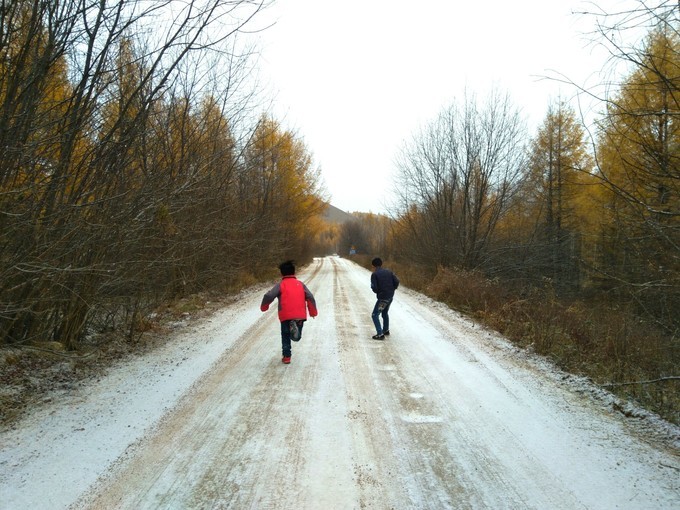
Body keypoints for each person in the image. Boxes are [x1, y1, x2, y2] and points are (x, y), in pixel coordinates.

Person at [260, 260, 318, 364]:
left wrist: (264, 306)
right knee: (296, 337)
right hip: (299, 315)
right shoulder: (300, 284)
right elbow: (310, 297)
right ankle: (296, 331)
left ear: (281, 273)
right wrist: (313, 312)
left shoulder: (281, 285)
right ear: (294, 272)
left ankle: (287, 357)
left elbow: (269, 295)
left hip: (285, 316)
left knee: (285, 335)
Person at [370, 257, 399, 340]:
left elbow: (374, 287)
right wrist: (392, 288)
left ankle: (380, 334)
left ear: (373, 266)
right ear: (381, 264)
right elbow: (396, 281)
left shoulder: (374, 274)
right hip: (390, 296)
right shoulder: (389, 272)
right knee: (384, 313)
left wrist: (379, 292)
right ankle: (385, 330)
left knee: (375, 315)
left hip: (383, 298)